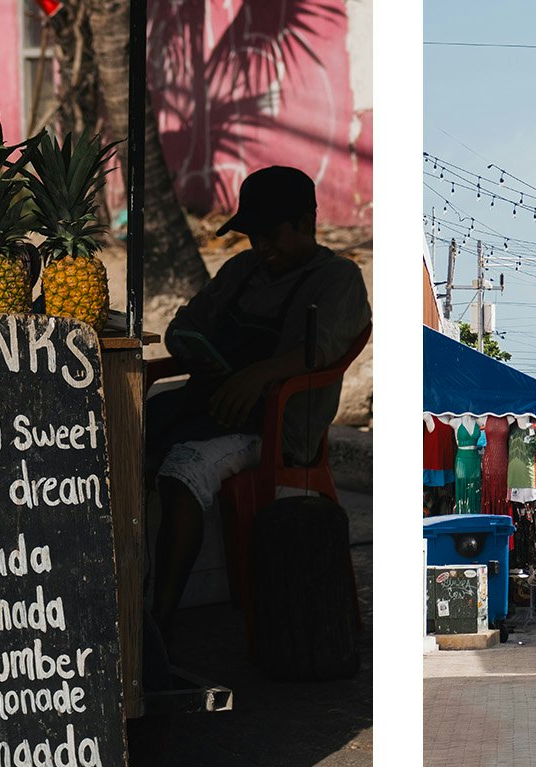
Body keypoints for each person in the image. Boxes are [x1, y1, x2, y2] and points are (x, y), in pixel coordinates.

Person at [148, 165, 370, 640]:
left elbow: (321, 352)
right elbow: (189, 321)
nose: (263, 248)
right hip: (209, 404)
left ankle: (158, 626)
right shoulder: (243, 270)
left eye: (273, 236)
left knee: (182, 472)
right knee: (127, 435)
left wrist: (258, 377)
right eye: (255, 238)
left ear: (307, 224)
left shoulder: (338, 280)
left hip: (275, 427)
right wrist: (190, 346)